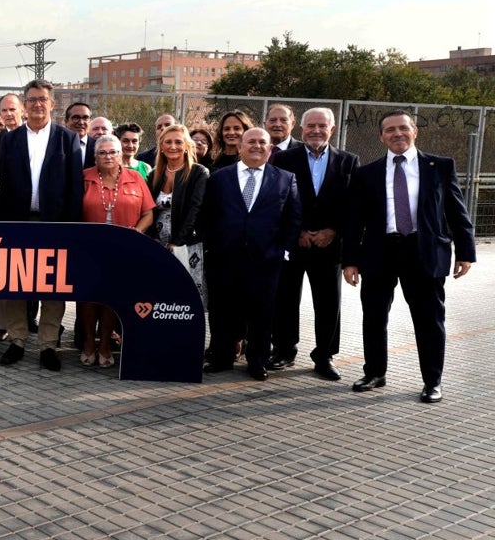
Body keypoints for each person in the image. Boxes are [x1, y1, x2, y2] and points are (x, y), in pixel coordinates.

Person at [343, 110, 476, 403]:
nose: (397, 134)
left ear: (414, 131)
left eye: (403, 128)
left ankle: (432, 381)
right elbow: (355, 221)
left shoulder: (439, 166)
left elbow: (457, 211)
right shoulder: (367, 173)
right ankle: (375, 372)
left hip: (424, 252)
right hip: (380, 253)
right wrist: (350, 260)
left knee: (429, 320)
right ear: (381, 137)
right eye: (390, 130)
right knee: (374, 316)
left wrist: (465, 252)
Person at [0, 79, 83, 371]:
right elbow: (1, 185)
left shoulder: (66, 139)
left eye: (43, 99)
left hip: (54, 223)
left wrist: (68, 226)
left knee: (52, 285)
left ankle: (47, 345)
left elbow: (74, 187)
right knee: (16, 282)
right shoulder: (9, 138)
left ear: (52, 104)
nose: (37, 104)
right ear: (24, 104)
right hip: (17, 222)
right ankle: (17, 340)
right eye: (31, 99)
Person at [202, 128, 301, 381]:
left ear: (270, 148)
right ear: (241, 146)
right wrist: (213, 247)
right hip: (225, 258)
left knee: (262, 312)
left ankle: (257, 361)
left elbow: (293, 217)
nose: (257, 146)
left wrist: (284, 251)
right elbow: (209, 216)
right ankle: (221, 357)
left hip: (266, 259)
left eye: (262, 142)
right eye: (251, 142)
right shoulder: (218, 178)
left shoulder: (285, 178)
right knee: (223, 310)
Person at [269, 108, 359, 380]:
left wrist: (334, 231)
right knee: (285, 299)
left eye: (322, 125)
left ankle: (324, 355)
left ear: (332, 129)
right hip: (295, 243)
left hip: (329, 246)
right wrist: (296, 232)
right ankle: (284, 350)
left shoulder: (349, 161)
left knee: (329, 302)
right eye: (311, 126)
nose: (316, 130)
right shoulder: (283, 159)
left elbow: (355, 207)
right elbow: (276, 201)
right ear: (301, 129)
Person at [79, 135, 155, 367]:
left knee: (112, 297)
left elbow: (149, 213)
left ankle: (105, 344)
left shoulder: (136, 177)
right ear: (95, 156)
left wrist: (136, 233)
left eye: (112, 152)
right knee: (89, 298)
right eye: (102, 153)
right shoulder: (85, 177)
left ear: (120, 154)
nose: (108, 156)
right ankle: (89, 342)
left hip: (123, 249)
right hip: (90, 250)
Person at [146, 123, 210, 305]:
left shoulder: (198, 172)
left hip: (185, 243)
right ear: (161, 146)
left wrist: (177, 242)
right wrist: (153, 240)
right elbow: (149, 210)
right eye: (168, 142)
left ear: (187, 146)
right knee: (161, 294)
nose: (173, 146)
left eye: (178, 142)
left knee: (186, 298)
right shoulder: (154, 174)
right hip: (158, 244)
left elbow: (195, 209)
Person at [65, 102, 97, 169]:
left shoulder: (97, 146)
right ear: (66, 121)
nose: (81, 122)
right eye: (76, 118)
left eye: (85, 118)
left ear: (90, 121)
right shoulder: (57, 145)